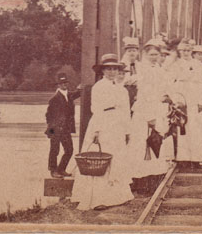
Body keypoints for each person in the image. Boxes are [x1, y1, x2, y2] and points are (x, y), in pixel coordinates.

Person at [71, 54, 133, 210]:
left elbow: (125, 110)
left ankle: (117, 195)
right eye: (108, 69)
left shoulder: (119, 88)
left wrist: (127, 130)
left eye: (114, 69)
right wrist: (97, 131)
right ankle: (98, 198)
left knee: (117, 156)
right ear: (103, 71)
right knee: (101, 156)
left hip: (117, 124)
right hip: (104, 122)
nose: (112, 72)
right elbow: (96, 109)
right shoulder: (99, 87)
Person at [126, 38, 175, 192]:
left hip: (157, 108)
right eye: (151, 54)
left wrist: (169, 97)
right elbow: (144, 94)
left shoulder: (159, 69)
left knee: (156, 143)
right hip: (145, 111)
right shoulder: (143, 70)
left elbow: (165, 88)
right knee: (141, 143)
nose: (154, 57)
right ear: (145, 54)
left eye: (156, 54)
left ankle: (152, 178)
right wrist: (149, 117)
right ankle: (139, 179)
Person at [172, 40, 202, 167]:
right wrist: (176, 99)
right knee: (182, 127)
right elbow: (172, 81)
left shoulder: (197, 64)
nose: (186, 53)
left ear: (191, 51)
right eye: (183, 51)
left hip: (194, 95)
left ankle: (196, 158)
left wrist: (201, 100)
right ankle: (183, 158)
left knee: (196, 128)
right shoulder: (175, 64)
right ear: (180, 52)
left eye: (188, 50)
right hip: (181, 95)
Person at [45, 74, 82, 178]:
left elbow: (78, 93)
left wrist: (81, 87)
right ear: (58, 85)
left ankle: (61, 169)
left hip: (66, 129)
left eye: (66, 83)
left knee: (69, 150)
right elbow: (48, 116)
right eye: (62, 83)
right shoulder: (54, 99)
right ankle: (53, 171)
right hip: (55, 129)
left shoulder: (69, 95)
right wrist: (51, 131)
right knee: (54, 150)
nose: (64, 85)